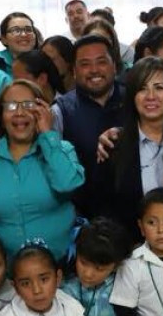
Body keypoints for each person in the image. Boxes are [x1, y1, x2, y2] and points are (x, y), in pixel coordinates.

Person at [0, 80, 84, 257]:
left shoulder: (62, 150)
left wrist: (48, 134)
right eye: (10, 106)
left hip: (59, 267)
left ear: (42, 112)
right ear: (1, 116)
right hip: (3, 273)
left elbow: (68, 185)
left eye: (28, 105)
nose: (19, 112)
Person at [95, 57, 163, 234]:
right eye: (142, 89)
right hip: (131, 249)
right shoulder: (113, 145)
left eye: (159, 88)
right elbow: (105, 209)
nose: (151, 96)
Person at [52, 34, 126, 196]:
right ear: (74, 71)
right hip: (84, 214)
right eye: (85, 64)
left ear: (114, 66)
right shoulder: (60, 111)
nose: (94, 70)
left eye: (101, 62)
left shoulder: (135, 100)